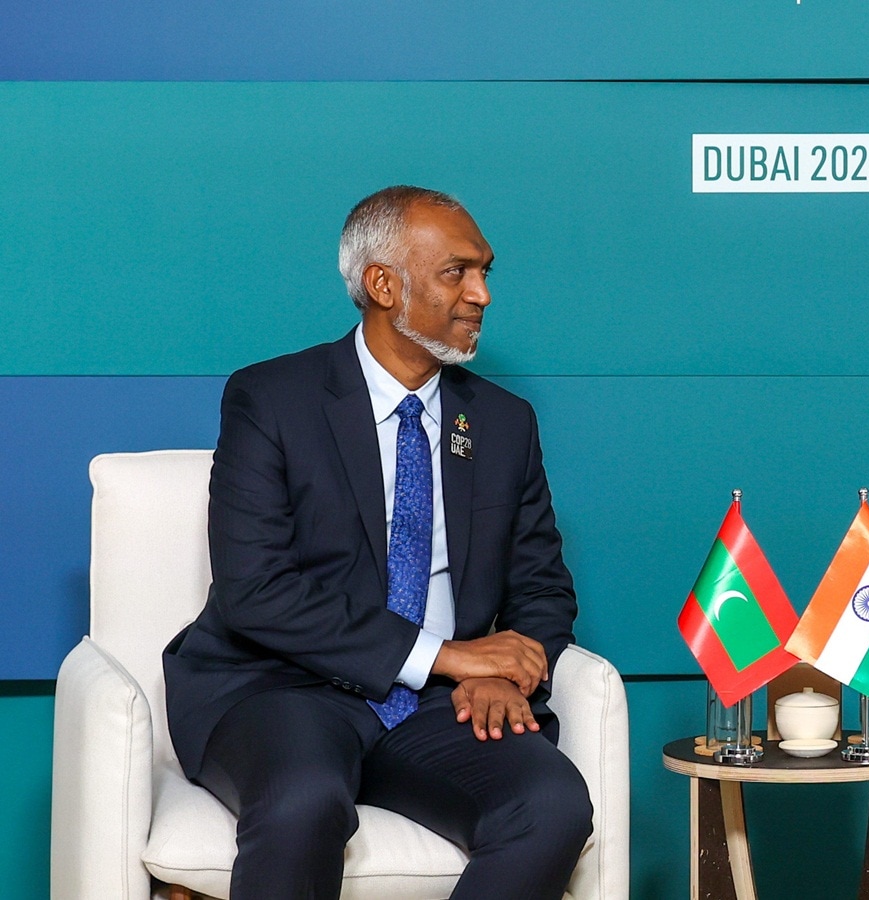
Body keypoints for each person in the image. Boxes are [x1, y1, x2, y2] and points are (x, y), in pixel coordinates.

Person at [163, 185, 592, 899]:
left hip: (435, 705)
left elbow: (543, 587)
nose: (482, 293)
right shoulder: (273, 399)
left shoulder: (503, 423)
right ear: (382, 284)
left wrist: (505, 669)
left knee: (551, 807)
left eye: (485, 271)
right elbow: (255, 592)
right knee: (304, 802)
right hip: (283, 686)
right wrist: (447, 656)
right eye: (457, 272)